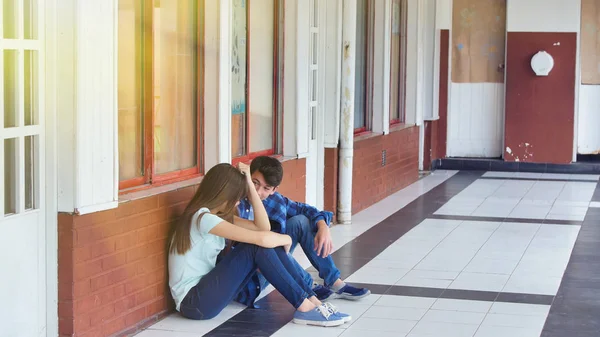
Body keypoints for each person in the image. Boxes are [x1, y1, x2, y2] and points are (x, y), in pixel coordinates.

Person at [168, 163, 351, 327]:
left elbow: (262, 227)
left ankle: (313, 302)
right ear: (223, 194)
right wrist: (286, 239)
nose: (239, 202)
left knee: (259, 244)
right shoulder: (203, 218)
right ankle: (305, 307)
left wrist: (250, 185)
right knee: (255, 246)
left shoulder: (217, 217)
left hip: (205, 297)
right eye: (237, 196)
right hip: (194, 303)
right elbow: (262, 239)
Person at [235, 156, 370, 308]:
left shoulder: (274, 201)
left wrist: (323, 227)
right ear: (248, 177)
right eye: (255, 183)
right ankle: (308, 287)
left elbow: (307, 210)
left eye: (266, 188)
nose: (258, 192)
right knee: (270, 247)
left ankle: (333, 281)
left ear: (274, 190)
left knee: (300, 221)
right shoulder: (237, 202)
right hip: (252, 276)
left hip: (277, 258)